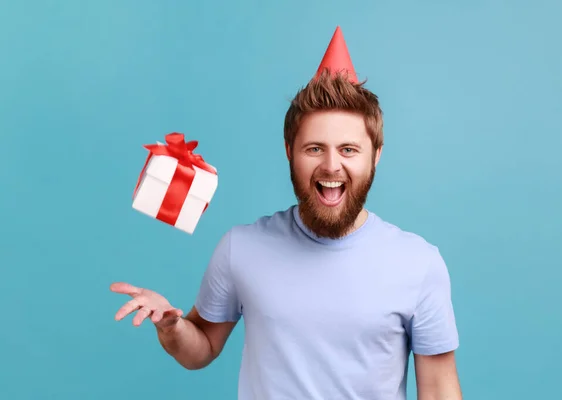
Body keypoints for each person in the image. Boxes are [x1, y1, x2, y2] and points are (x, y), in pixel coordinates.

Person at [111, 27, 462, 400]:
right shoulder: (241, 249)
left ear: (375, 156)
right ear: (289, 152)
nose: (331, 166)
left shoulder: (418, 264)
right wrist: (172, 328)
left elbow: (440, 390)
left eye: (348, 150)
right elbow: (201, 349)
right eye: (314, 148)